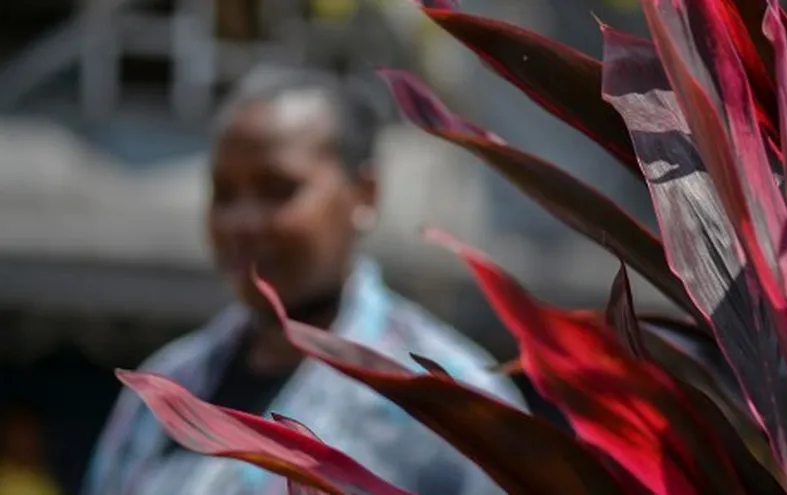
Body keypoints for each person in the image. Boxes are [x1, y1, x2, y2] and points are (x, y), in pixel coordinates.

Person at [82, 66, 524, 495]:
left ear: (365, 193)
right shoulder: (165, 387)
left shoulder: (450, 406)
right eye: (225, 193)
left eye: (279, 189)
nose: (243, 221)